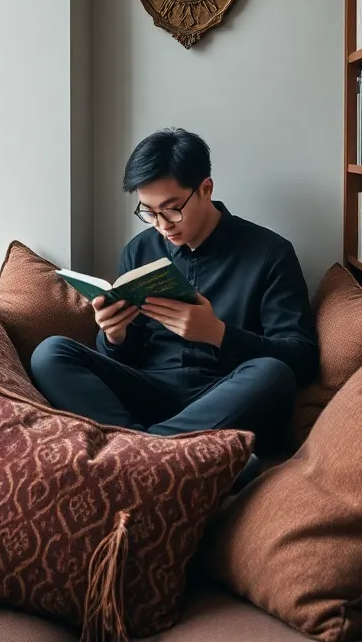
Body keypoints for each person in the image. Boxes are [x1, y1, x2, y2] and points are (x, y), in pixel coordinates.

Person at [31, 129, 318, 473]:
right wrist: (113, 336)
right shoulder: (139, 250)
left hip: (226, 397)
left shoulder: (270, 253)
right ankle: (159, 454)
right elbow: (124, 359)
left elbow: (301, 359)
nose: (162, 225)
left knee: (273, 374)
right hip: (150, 390)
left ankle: (136, 454)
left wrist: (218, 334)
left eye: (172, 210)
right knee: (50, 353)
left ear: (206, 189)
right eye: (149, 212)